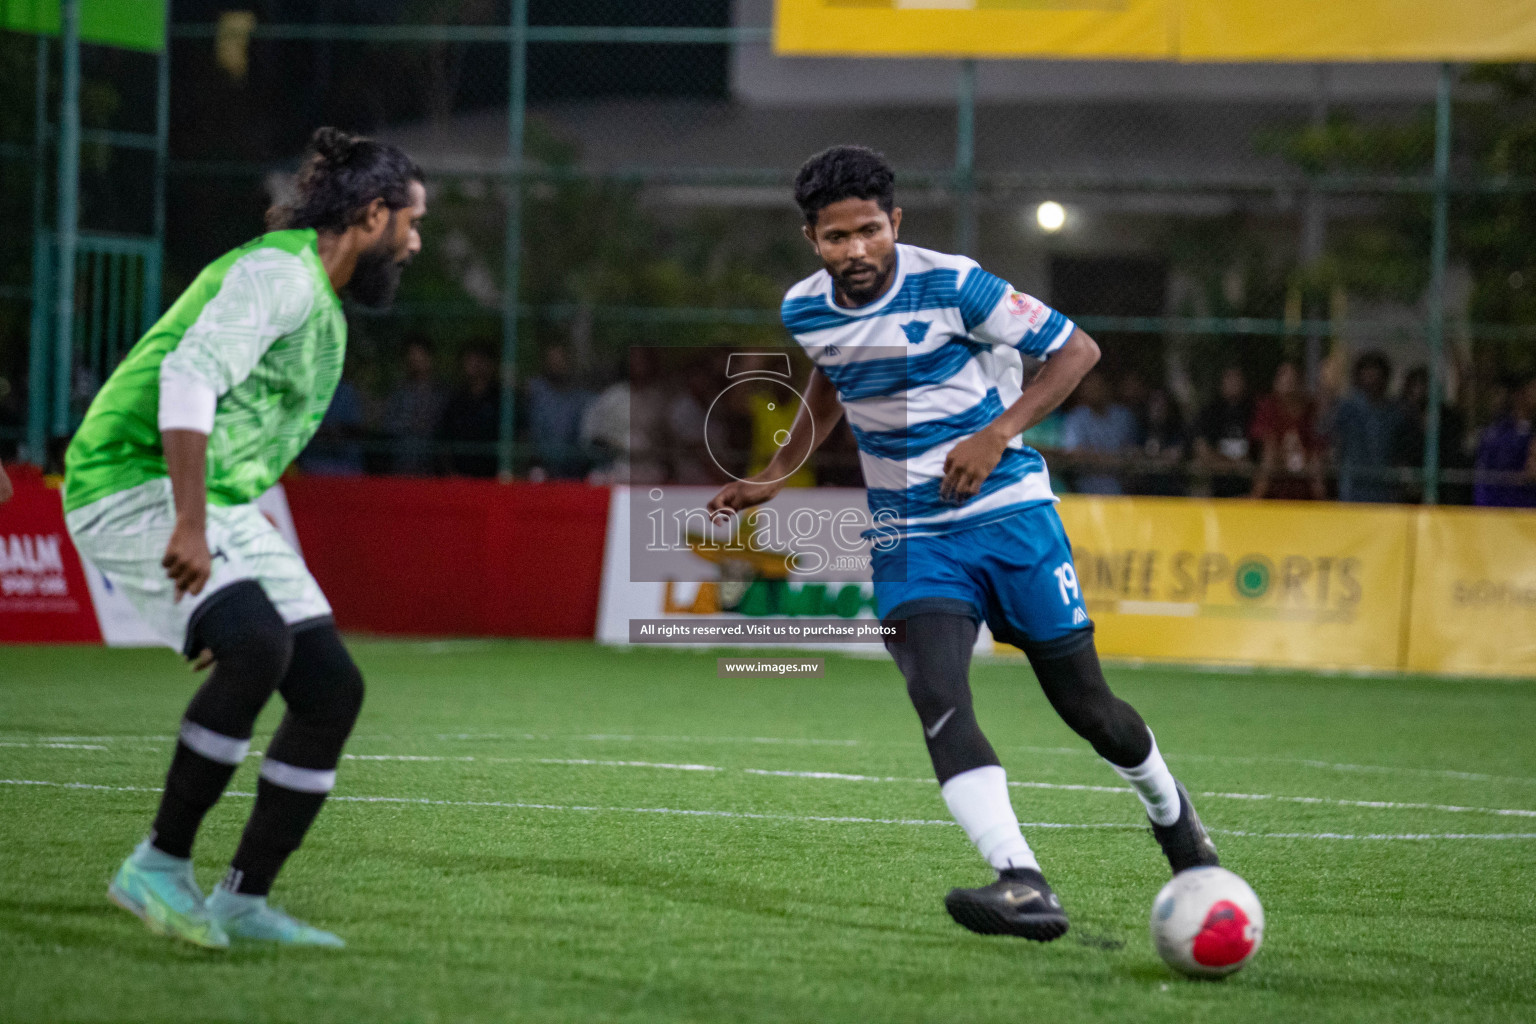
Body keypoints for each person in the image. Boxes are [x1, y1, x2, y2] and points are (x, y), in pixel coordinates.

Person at [707, 146, 1220, 944]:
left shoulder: (955, 282)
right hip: (910, 536)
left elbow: (1076, 350)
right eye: (837, 237)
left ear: (895, 223)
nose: (858, 250)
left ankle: (1173, 816)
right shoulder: (805, 310)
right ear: (812, 238)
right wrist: (778, 471)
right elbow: (830, 383)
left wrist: (996, 433)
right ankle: (1022, 881)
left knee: (1089, 710)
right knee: (937, 692)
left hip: (1010, 517)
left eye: (871, 230)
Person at [62, 127, 426, 950]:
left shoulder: (320, 305)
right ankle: (156, 865)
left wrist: (226, 515)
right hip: (130, 481)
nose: (416, 242)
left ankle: (241, 898)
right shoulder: (278, 274)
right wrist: (192, 523)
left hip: (210, 499)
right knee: (256, 646)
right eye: (411, 223)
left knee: (332, 689)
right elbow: (190, 378)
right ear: (371, 216)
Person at [1330, 351, 1404, 503]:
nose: (1372, 378)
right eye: (1367, 372)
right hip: (1353, 486)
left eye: (1376, 373)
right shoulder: (1347, 408)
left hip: (1385, 487)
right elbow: (1331, 437)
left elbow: (1401, 449)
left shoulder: (1395, 412)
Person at [1249, 362, 1326, 500]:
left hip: (1305, 486)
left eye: (1293, 378)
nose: (1288, 381)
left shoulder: (1311, 410)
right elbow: (1269, 449)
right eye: (1283, 376)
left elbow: (1317, 448)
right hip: (1275, 487)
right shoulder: (1268, 407)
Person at [1060, 370, 1138, 494]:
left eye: (1097, 385)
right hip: (1085, 491)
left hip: (1121, 491)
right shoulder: (1076, 418)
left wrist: (1098, 457)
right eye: (1089, 386)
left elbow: (1132, 453)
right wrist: (1112, 459)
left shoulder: (1124, 416)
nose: (1093, 390)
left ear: (1107, 387)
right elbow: (1074, 455)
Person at [525, 344, 593, 479]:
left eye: (561, 360)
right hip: (540, 467)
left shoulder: (582, 398)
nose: (557, 364)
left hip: (575, 469)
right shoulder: (535, 391)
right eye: (552, 360)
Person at [382, 337, 446, 475]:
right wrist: (410, 424)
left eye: (420, 354)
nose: (416, 360)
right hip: (402, 464)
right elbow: (387, 424)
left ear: (430, 357)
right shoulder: (399, 392)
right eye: (412, 355)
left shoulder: (443, 393)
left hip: (432, 469)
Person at [437, 344, 501, 478]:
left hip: (493, 481)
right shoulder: (455, 400)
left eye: (481, 360)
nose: (475, 365)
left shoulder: (502, 400)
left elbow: (519, 437)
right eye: (470, 360)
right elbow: (444, 441)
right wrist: (451, 474)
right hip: (460, 480)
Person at [1192, 365, 1256, 498]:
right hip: (1218, 486)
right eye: (1229, 379)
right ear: (1221, 383)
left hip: (1249, 488)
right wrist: (1232, 465)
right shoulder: (1210, 412)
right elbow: (1202, 449)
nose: (1233, 383)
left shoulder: (1254, 411)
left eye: (1237, 378)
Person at [1473, 376, 1536, 508]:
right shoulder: (1497, 435)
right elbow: (1486, 478)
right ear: (1519, 395)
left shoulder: (1530, 433)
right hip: (1501, 511)